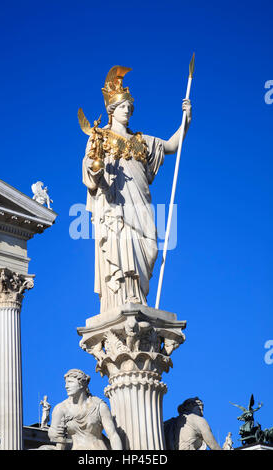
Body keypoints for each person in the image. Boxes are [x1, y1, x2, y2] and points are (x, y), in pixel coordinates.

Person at [81, 66, 192, 313]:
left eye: (130, 108)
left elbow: (172, 146)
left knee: (149, 248)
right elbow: (89, 168)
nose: (128, 111)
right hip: (114, 205)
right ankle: (121, 300)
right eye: (123, 107)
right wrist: (96, 170)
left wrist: (185, 121)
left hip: (140, 203)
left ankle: (138, 296)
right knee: (121, 245)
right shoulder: (100, 137)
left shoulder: (142, 141)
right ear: (112, 110)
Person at [48, 369, 122, 450]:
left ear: (81, 384)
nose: (66, 386)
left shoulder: (99, 406)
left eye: (70, 382)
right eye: (66, 383)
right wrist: (56, 432)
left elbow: (113, 435)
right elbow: (52, 432)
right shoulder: (61, 408)